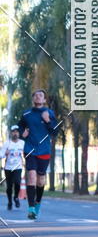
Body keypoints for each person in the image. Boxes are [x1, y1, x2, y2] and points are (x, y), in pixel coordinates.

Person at [19, 89, 59, 219]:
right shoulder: (26, 114)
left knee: (41, 180)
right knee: (31, 176)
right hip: (30, 149)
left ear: (44, 100)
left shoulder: (49, 113)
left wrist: (47, 120)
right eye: (35, 95)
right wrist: (21, 134)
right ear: (33, 99)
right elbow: (20, 127)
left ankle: (37, 204)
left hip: (44, 150)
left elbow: (55, 132)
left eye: (40, 95)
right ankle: (31, 209)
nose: (38, 97)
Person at [1, 125, 24, 211]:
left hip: (18, 167)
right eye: (13, 132)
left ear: (19, 133)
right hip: (8, 168)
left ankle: (16, 197)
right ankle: (10, 201)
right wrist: (5, 153)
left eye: (17, 132)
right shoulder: (7, 143)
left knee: (18, 183)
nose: (15, 133)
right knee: (9, 186)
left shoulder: (22, 143)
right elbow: (1, 154)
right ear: (11, 133)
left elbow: (26, 153)